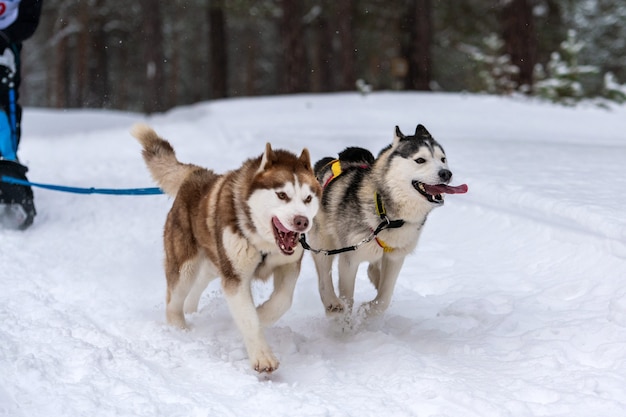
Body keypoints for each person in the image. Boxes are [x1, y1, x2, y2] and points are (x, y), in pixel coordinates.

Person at [0, 0, 42, 230]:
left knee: (6, 110)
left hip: (7, 50)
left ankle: (8, 168)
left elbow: (29, 19)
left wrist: (6, 37)